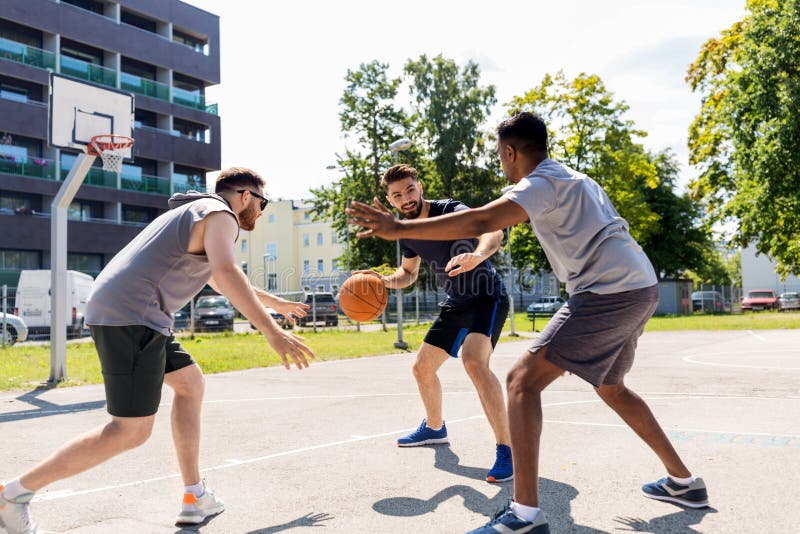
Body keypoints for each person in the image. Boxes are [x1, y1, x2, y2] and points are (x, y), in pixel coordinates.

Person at [347, 112, 709, 534]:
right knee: (612, 387)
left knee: (521, 380)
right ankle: (684, 483)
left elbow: (485, 222)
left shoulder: (539, 184)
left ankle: (523, 516)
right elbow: (416, 266)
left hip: (606, 291)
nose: (501, 162)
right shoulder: (575, 177)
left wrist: (397, 228)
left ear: (509, 151)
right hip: (637, 284)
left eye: (501, 156)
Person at [0, 167, 315, 534]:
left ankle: (194, 495)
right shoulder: (221, 215)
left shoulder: (192, 213)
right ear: (246, 196)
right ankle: (14, 495)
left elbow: (216, 275)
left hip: (133, 310)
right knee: (129, 431)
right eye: (263, 203)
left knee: (190, 384)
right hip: (134, 314)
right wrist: (272, 332)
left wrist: (274, 303)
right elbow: (227, 271)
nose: (262, 212)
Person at [357, 164, 513, 483]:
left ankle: (507, 450)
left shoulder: (451, 211)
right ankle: (434, 428)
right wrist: (382, 281)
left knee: (474, 362)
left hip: (487, 296)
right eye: (397, 195)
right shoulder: (406, 232)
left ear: (421, 187)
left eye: (410, 190)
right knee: (422, 368)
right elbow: (409, 274)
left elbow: (492, 230)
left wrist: (478, 255)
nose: (406, 198)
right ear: (390, 200)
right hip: (457, 301)